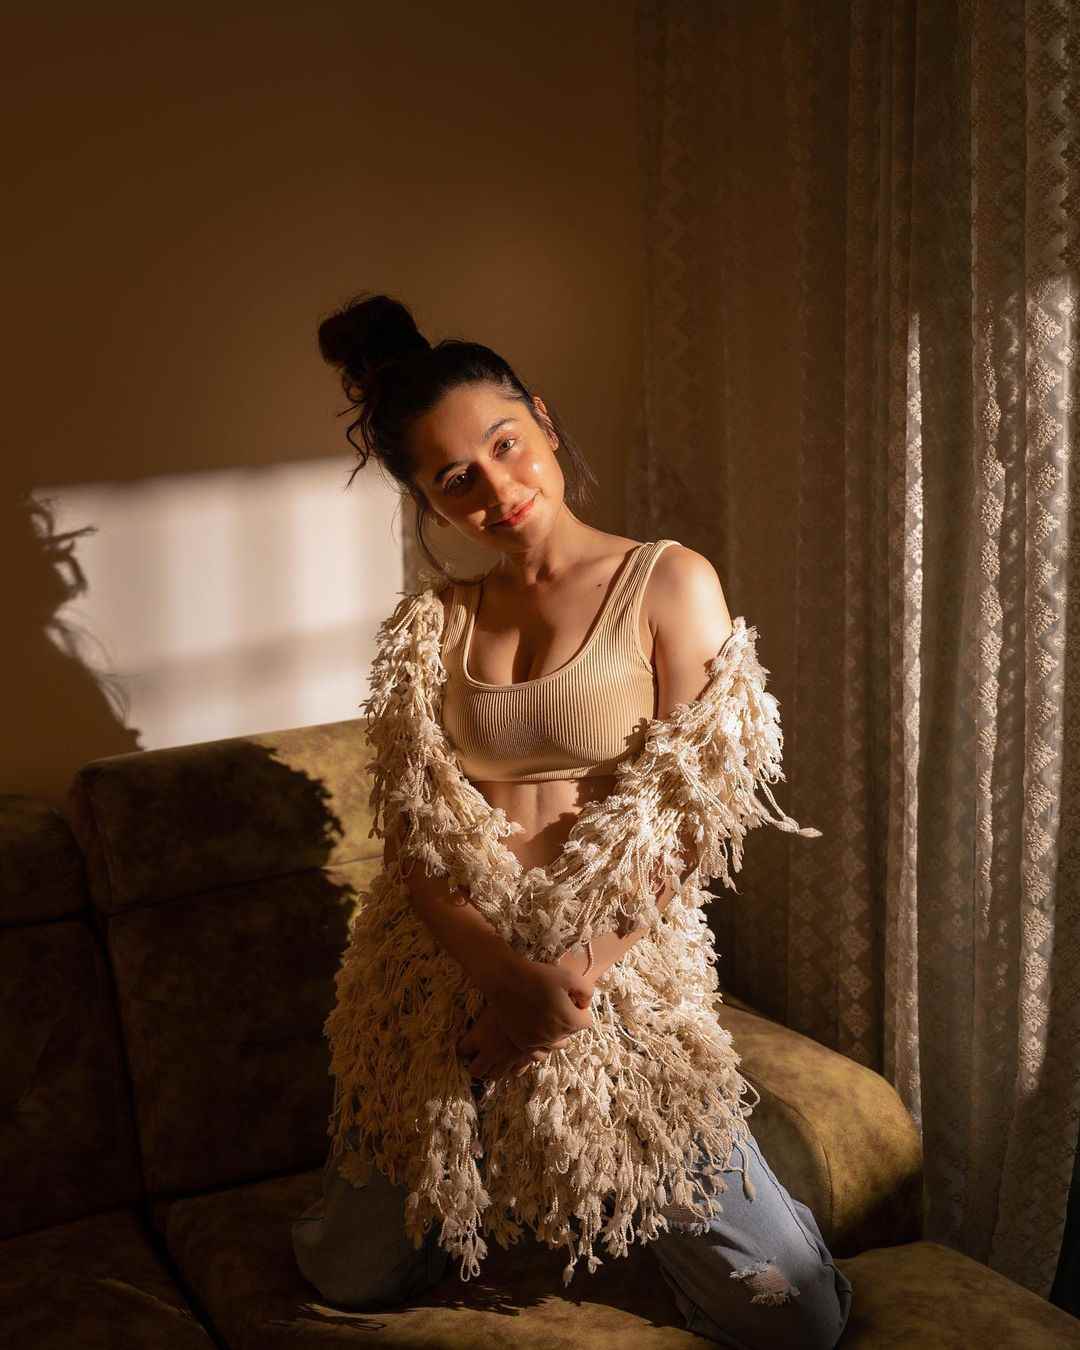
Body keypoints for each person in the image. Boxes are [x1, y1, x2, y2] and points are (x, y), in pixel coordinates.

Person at [291, 292, 853, 1348]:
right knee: (348, 1275)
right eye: (456, 477)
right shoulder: (433, 623)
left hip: (613, 972)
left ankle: (662, 1198)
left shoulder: (667, 581)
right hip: (440, 971)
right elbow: (415, 838)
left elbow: (692, 812)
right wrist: (502, 983)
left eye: (506, 444)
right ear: (427, 499)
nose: (497, 488)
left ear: (543, 420)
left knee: (796, 1320)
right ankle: (487, 1182)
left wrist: (563, 983)